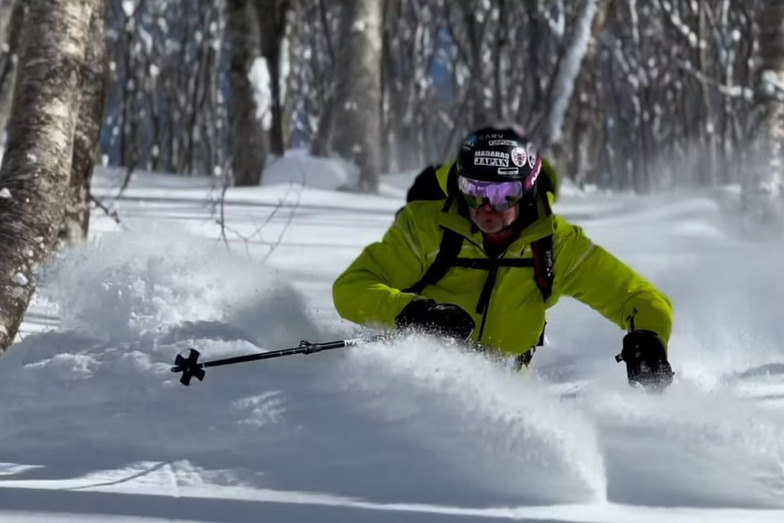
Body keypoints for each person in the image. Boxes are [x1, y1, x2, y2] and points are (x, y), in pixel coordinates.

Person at [332, 125, 674, 391]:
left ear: (526, 191)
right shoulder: (425, 229)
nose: (485, 208)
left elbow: (637, 297)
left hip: (507, 396)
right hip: (419, 384)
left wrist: (648, 336)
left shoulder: (556, 246)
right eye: (474, 191)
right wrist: (411, 312)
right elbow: (351, 288)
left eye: (501, 194)